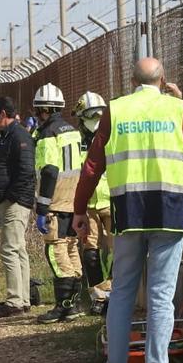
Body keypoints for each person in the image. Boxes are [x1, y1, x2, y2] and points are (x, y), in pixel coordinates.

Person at [72, 58, 183, 363]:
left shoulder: (117, 110)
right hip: (169, 211)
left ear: (131, 81)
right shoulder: (176, 109)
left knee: (123, 290)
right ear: (163, 80)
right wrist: (181, 100)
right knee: (160, 295)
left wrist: (79, 210)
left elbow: (92, 165)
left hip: (128, 212)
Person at [30, 84, 86, 324]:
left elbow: (50, 171)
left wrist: (42, 208)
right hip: (74, 201)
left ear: (43, 110)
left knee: (55, 250)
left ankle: (62, 306)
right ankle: (73, 305)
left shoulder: (47, 135)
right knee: (72, 248)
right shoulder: (72, 131)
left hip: (56, 202)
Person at [0, 96, 36, 318]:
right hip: (10, 201)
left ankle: (15, 301)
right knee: (18, 249)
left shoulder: (19, 136)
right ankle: (22, 299)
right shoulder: (7, 136)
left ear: (3, 114)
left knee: (9, 249)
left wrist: (12, 198)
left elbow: (25, 172)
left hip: (16, 202)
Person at [74, 91, 114, 315]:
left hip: (112, 200)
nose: (95, 121)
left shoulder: (111, 138)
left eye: (99, 115)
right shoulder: (76, 141)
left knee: (116, 251)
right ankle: (98, 295)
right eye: (91, 116)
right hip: (88, 204)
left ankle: (115, 293)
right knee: (90, 251)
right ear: (81, 118)